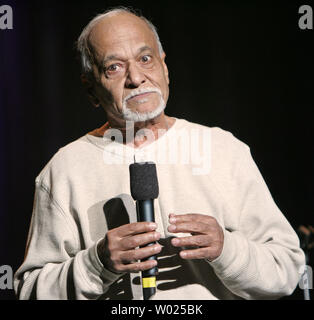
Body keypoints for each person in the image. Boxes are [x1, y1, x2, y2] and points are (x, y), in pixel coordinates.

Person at [14, 7, 305, 300]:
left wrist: (227, 249)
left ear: (164, 67)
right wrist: (97, 263)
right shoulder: (65, 169)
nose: (136, 78)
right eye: (113, 67)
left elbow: (287, 271)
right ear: (91, 89)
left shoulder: (224, 150)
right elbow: (29, 291)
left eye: (145, 59)